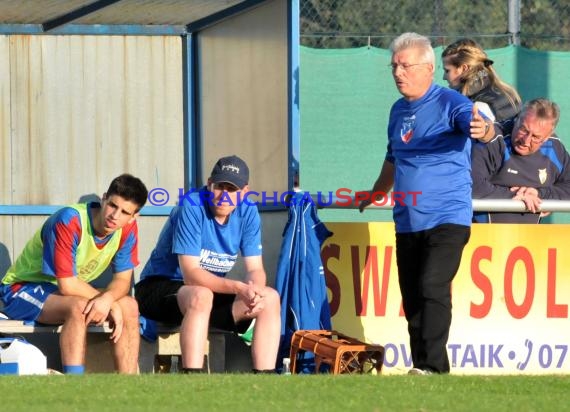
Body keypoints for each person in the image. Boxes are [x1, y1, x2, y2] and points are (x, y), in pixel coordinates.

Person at [358, 32, 494, 375]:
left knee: (433, 284)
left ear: (429, 68)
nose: (398, 73)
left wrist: (485, 129)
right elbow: (393, 157)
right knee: (413, 296)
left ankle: (432, 366)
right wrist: (375, 192)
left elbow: (477, 124)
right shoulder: (396, 111)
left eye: (405, 66)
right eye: (394, 67)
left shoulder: (450, 102)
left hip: (448, 217)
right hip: (406, 219)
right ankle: (425, 369)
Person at [135, 155, 281, 373]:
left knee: (270, 298)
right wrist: (239, 288)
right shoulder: (192, 205)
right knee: (201, 295)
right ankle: (193, 378)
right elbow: (191, 275)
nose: (224, 195)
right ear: (209, 183)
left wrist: (255, 291)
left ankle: (265, 380)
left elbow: (255, 269)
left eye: (231, 189)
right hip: (159, 288)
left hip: (207, 296)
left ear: (243, 192)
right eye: (219, 186)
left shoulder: (248, 211)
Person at [0, 174, 148, 374]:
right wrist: (109, 302)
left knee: (129, 305)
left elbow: (123, 280)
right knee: (79, 307)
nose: (115, 216)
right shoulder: (69, 220)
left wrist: (108, 299)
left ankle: (129, 389)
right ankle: (74, 385)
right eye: (113, 205)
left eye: (124, 212)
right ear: (104, 198)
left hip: (67, 293)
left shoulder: (128, 229)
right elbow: (67, 285)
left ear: (134, 216)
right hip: (20, 289)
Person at [472, 98, 570, 223]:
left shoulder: (554, 148)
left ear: (547, 137)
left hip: (528, 239)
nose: (526, 141)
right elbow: (471, 185)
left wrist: (539, 194)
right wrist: (517, 197)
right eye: (523, 130)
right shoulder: (494, 141)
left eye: (535, 137)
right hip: (482, 237)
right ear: (516, 120)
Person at [442, 38, 522, 122]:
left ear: (464, 68)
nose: (444, 77)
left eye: (447, 71)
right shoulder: (507, 91)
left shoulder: (478, 107)